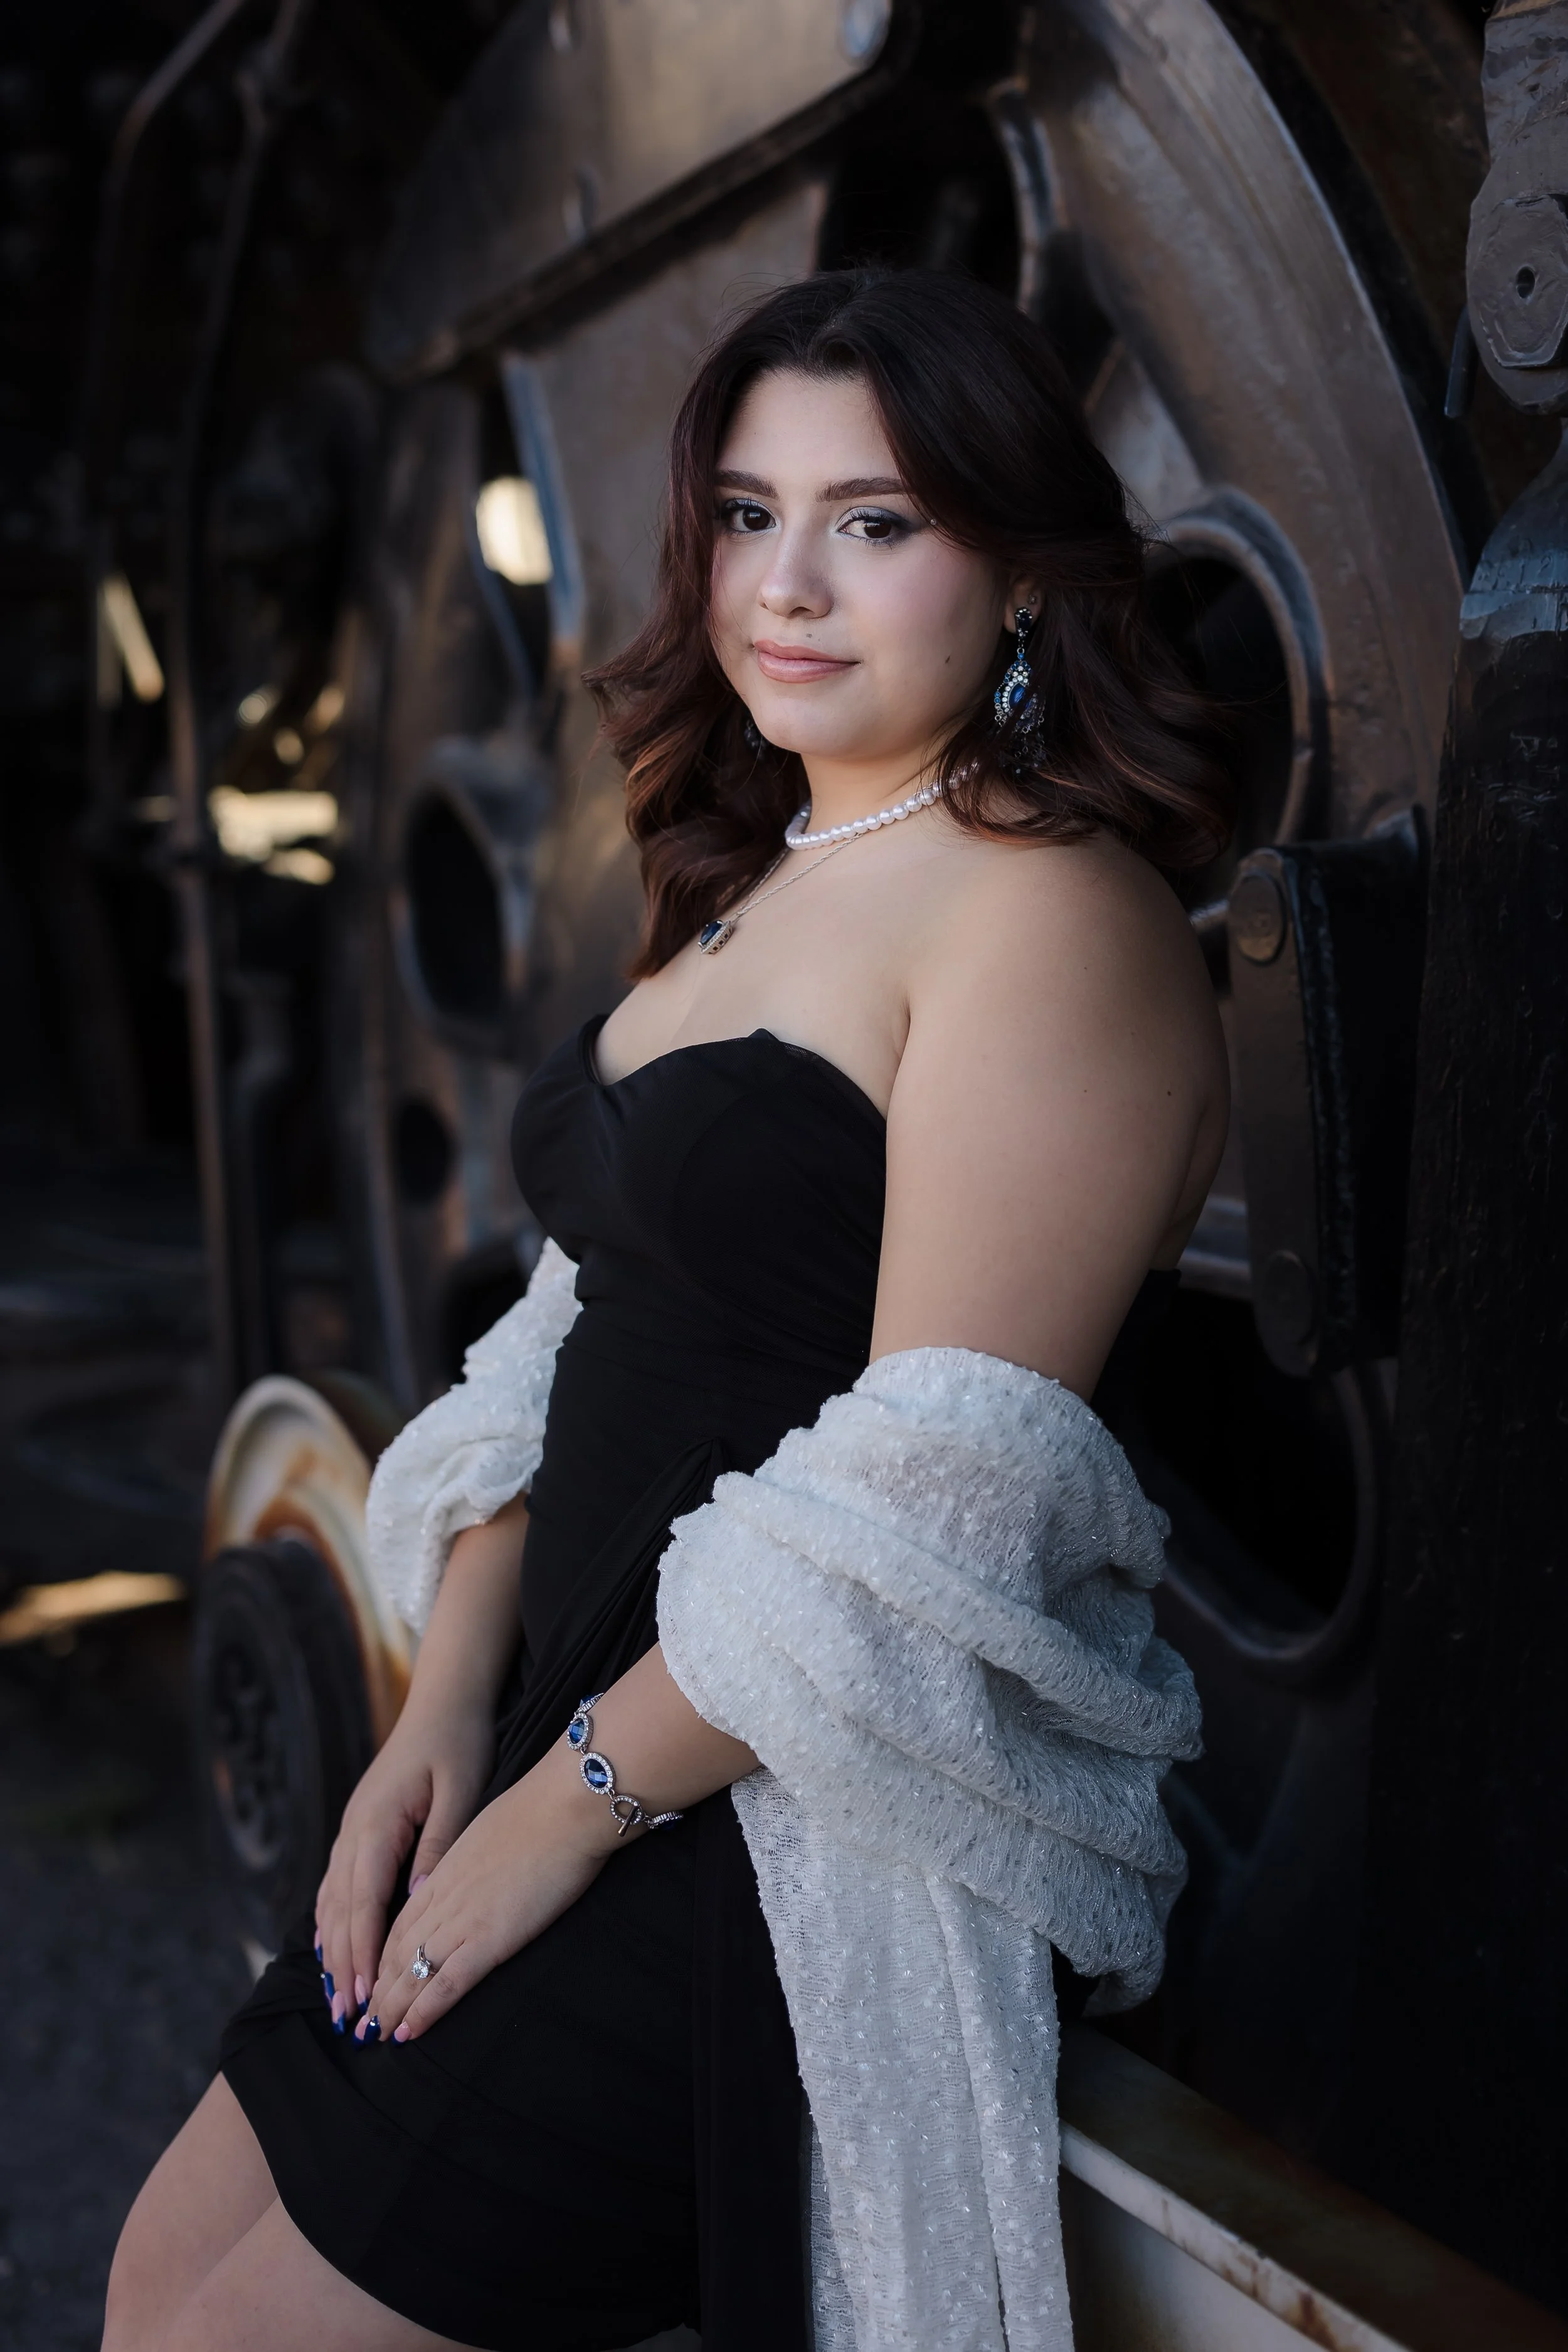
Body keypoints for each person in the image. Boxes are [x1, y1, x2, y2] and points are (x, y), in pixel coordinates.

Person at [104, 268, 1231, 2352]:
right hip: (553, 1731)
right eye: (742, 511)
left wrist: (563, 1817)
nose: (783, 583)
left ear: (1020, 570)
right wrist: (442, 1710)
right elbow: (573, 1332)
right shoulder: (753, 881)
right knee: (155, 2283)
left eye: (874, 522)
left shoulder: (1054, 922)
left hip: (767, 1816)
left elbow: (925, 1510)